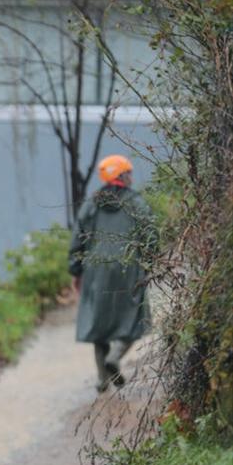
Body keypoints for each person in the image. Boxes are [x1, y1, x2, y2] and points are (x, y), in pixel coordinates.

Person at [69, 154, 156, 392]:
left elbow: (78, 239)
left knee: (100, 325)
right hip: (129, 269)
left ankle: (101, 378)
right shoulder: (136, 203)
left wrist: (76, 270)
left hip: (96, 271)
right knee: (134, 319)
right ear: (122, 175)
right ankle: (114, 358)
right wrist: (149, 263)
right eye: (129, 173)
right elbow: (150, 236)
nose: (132, 177)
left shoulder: (91, 204)